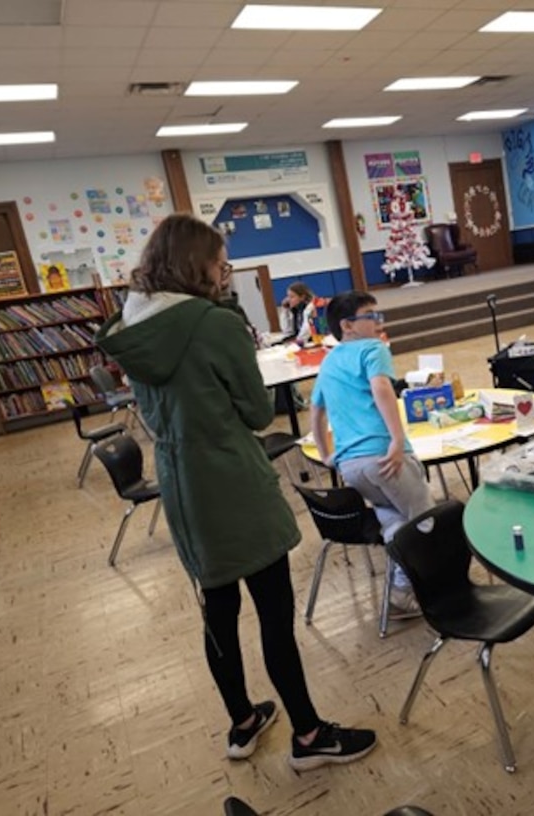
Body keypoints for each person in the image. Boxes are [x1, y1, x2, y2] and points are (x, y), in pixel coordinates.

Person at [94, 214, 376, 770]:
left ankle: (243, 723)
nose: (226, 272)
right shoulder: (212, 322)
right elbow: (254, 410)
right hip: (230, 478)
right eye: (220, 262)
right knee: (274, 610)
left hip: (180, 482)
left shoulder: (134, 324)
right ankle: (309, 735)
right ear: (197, 265)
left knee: (217, 610)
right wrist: (231, 321)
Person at [309, 291, 434, 619]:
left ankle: (399, 595)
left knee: (393, 518)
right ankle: (426, 587)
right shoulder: (373, 349)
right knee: (425, 519)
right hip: (383, 456)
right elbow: (382, 389)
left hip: (351, 466)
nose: (379, 322)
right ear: (347, 325)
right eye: (371, 316)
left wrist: (326, 454)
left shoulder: (330, 361)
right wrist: (395, 439)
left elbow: (316, 410)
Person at [279, 281, 316, 346]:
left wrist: (297, 342)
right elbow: (287, 330)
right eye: (288, 296)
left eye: (292, 297)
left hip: (310, 342)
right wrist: (285, 310)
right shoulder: (295, 310)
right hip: (300, 340)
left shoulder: (310, 308)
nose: (288, 299)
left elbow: (307, 329)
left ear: (302, 297)